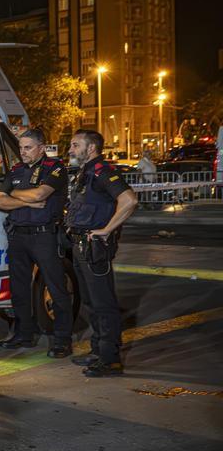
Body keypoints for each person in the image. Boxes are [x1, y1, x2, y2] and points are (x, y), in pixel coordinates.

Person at [0, 128, 73, 358]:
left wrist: (15, 195)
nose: (22, 151)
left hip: (44, 236)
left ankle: (62, 340)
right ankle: (23, 334)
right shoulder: (16, 169)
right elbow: (0, 201)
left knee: (56, 288)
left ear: (41, 147)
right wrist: (27, 201)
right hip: (18, 236)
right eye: (20, 147)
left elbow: (41, 195)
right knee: (18, 288)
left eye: (27, 147)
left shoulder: (55, 168)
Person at [65, 130, 138, 377]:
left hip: (94, 248)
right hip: (80, 245)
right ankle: (98, 350)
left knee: (103, 302)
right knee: (89, 301)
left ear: (92, 148)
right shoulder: (85, 173)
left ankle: (110, 359)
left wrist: (106, 230)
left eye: (75, 145)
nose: (70, 150)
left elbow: (129, 200)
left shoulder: (103, 172)